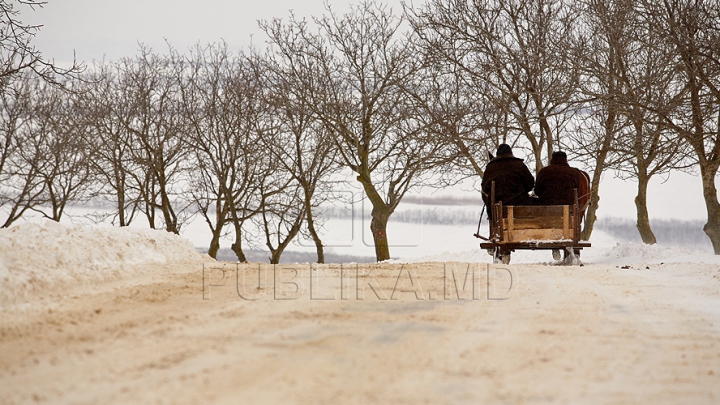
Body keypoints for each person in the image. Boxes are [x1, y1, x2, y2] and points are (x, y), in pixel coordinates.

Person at [481, 144, 535, 219]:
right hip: (520, 206)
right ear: (511, 153)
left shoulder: (490, 168)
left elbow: (484, 190)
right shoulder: (519, 165)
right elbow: (530, 184)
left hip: (497, 210)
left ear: (497, 154)